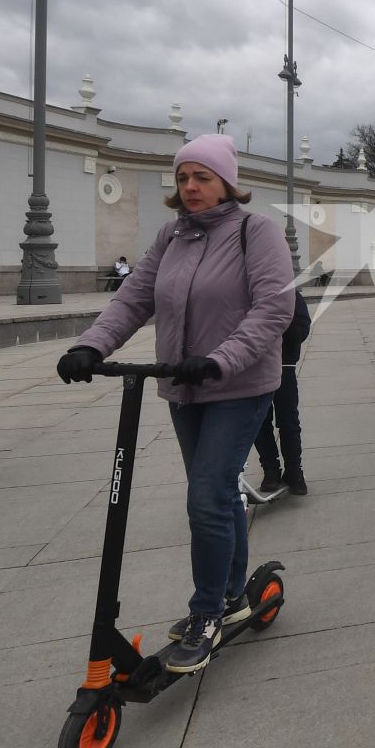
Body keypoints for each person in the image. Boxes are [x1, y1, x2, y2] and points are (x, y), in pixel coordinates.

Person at [57, 134, 293, 675]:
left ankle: (208, 611)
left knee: (206, 497)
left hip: (239, 386)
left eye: (202, 177)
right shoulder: (172, 236)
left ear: (227, 182)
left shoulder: (256, 232)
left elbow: (274, 308)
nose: (190, 187)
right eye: (183, 177)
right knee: (219, 492)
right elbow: (134, 298)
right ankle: (232, 593)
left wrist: (220, 359)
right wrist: (91, 345)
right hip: (183, 387)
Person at [250, 288, 312, 500]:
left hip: (284, 366)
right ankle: (271, 470)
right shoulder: (248, 291)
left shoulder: (291, 294)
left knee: (288, 421)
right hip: (254, 368)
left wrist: (284, 326)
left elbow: (302, 328)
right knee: (259, 421)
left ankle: (295, 471)